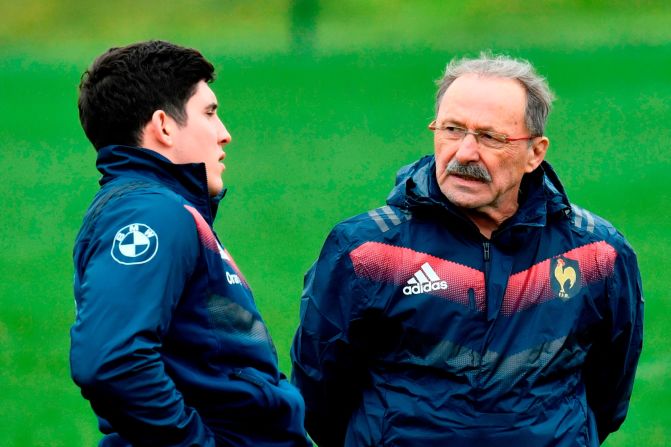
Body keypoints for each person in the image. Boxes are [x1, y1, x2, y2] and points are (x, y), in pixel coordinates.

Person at [290, 52, 643, 446]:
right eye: (452, 130)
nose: (465, 153)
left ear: (535, 152)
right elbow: (320, 393)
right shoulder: (365, 250)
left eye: (491, 137)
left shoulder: (597, 252)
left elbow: (609, 388)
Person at [70, 40, 311, 447]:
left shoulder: (159, 208)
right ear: (163, 126)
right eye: (210, 113)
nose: (225, 134)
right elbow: (112, 362)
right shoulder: (150, 214)